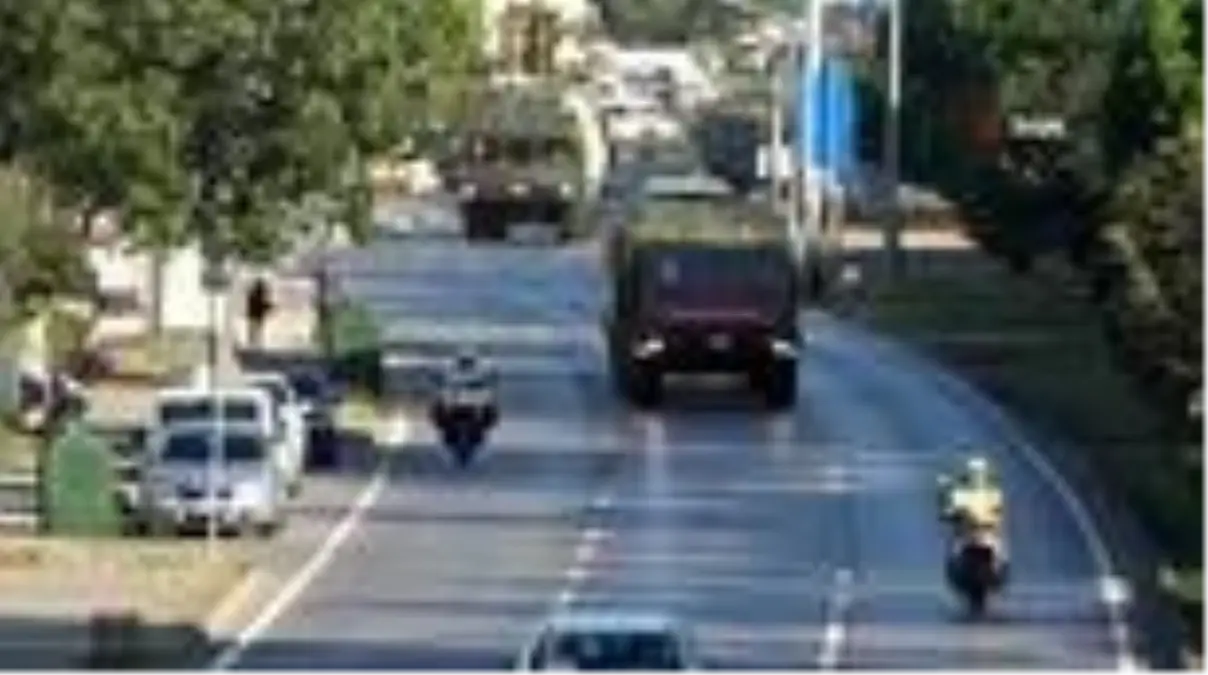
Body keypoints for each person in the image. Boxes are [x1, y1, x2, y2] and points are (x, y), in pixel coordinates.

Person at [938, 455, 1004, 538]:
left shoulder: (992, 494)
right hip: (979, 529)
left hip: (973, 530)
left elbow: (949, 511)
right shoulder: (993, 493)